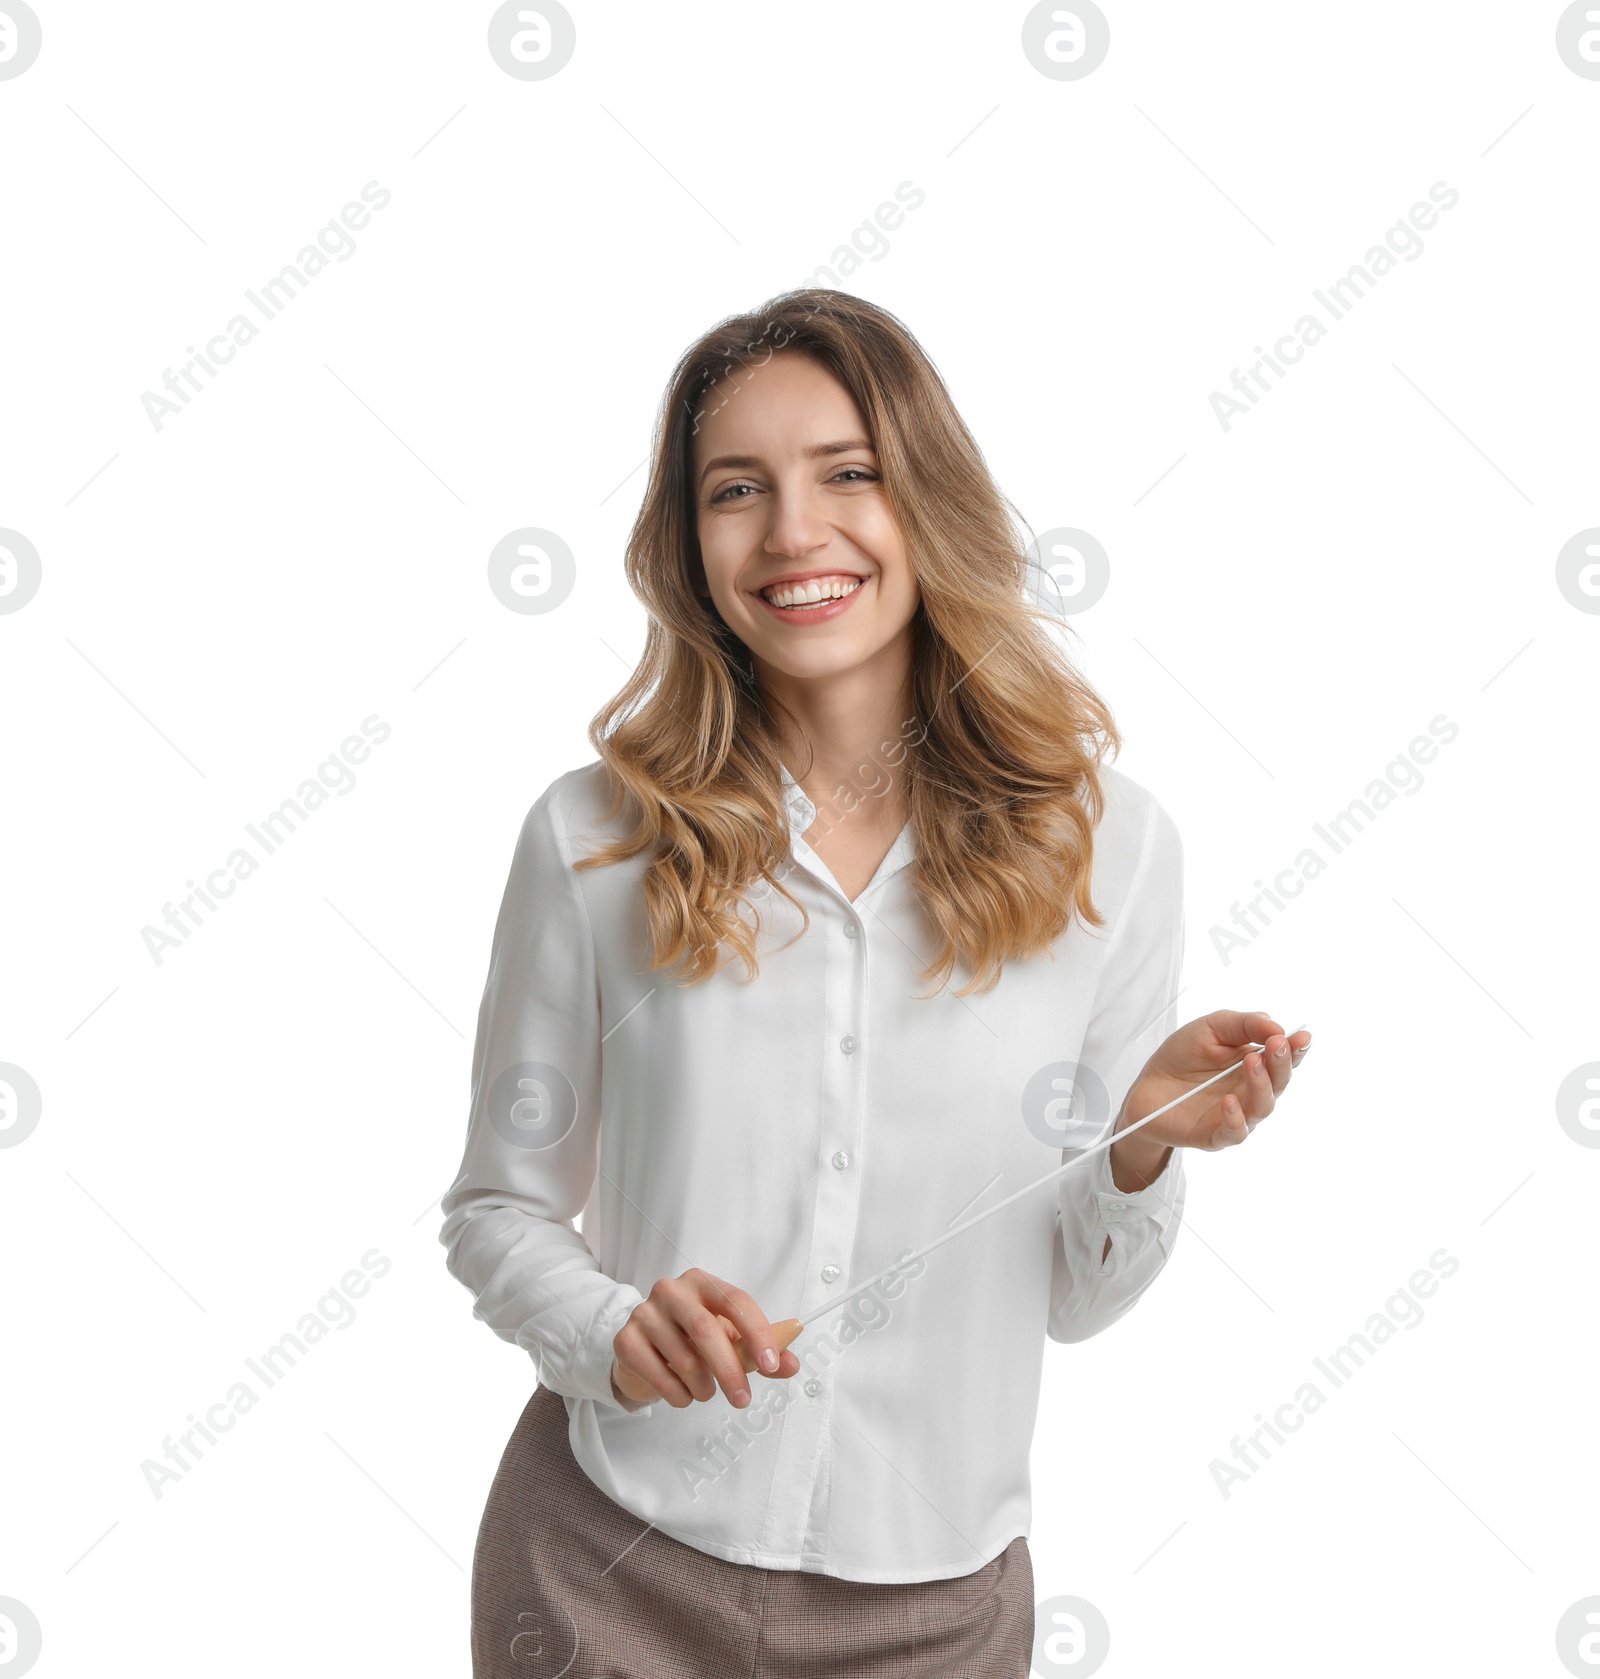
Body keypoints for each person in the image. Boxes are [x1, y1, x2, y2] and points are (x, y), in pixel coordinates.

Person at [440, 288, 1311, 1678]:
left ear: (929, 499)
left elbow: (1074, 1302)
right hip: (600, 1570)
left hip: (934, 1621)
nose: (794, 533)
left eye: (848, 473)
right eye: (738, 490)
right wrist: (614, 1329)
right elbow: (497, 1209)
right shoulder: (591, 838)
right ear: (689, 544)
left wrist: (1142, 1143)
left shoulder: (1115, 851)